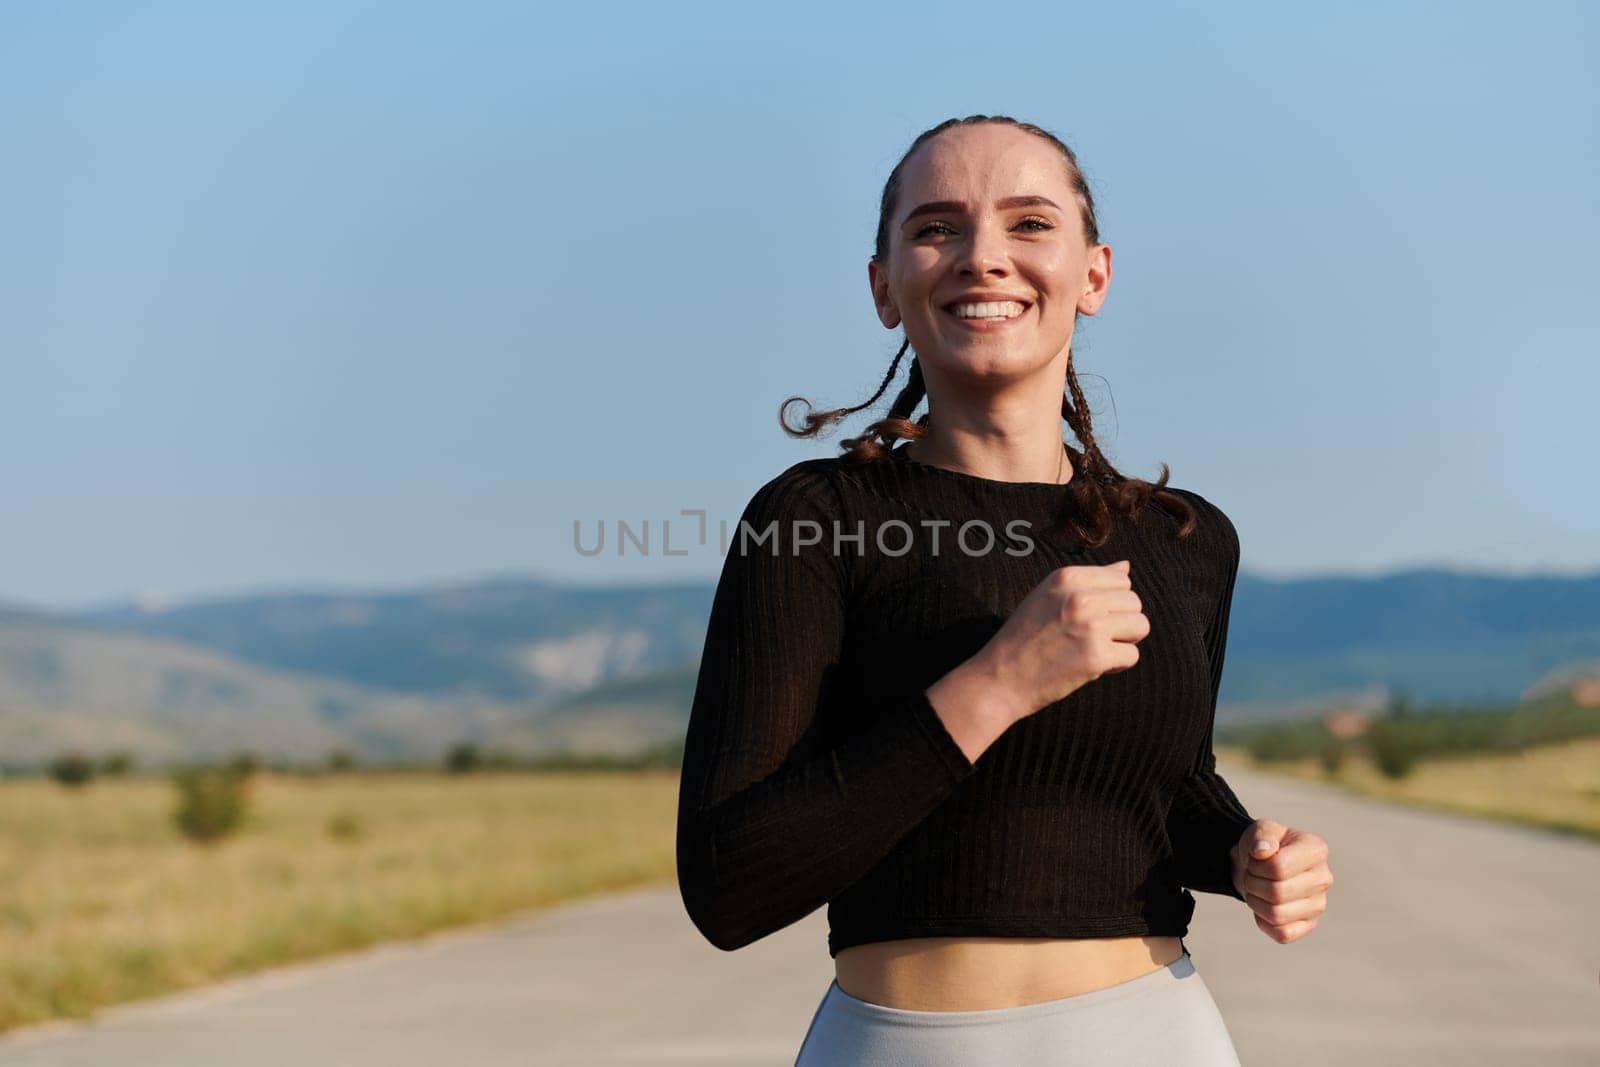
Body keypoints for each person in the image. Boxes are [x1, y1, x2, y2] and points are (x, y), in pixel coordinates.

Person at [675, 114, 1334, 1065]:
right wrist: (998, 685)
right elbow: (729, 885)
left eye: (1029, 224)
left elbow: (1165, 785)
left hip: (1155, 1035)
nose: (985, 258)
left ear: (1094, 274)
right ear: (884, 289)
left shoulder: (1182, 540)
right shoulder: (815, 519)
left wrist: (1242, 850)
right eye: (936, 227)